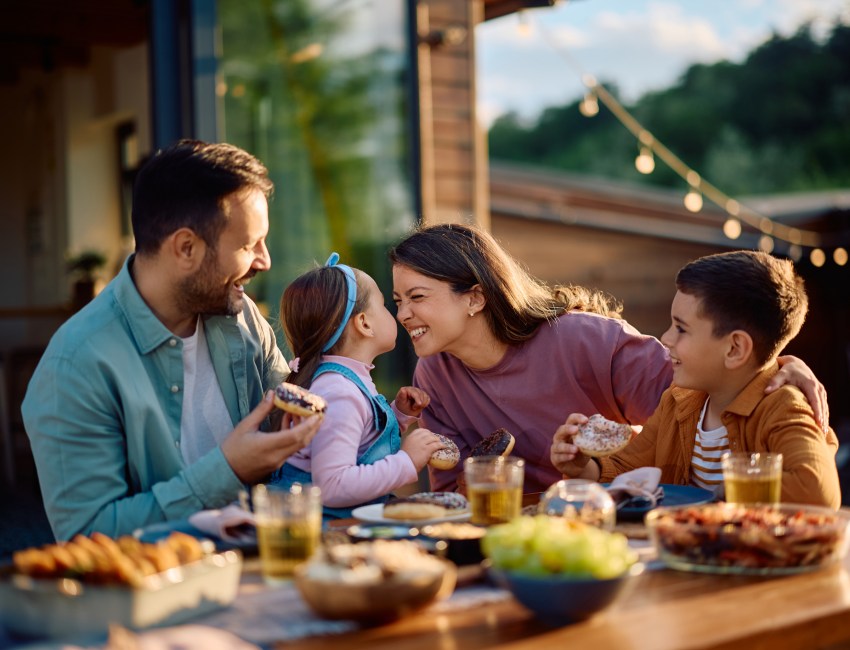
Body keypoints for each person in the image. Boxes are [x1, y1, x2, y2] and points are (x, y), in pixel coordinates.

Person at [22, 140, 322, 541]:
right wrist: (229, 471)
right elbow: (87, 534)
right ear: (186, 248)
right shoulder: (75, 367)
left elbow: (291, 422)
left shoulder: (242, 317)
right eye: (250, 244)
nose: (264, 261)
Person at [389, 223, 830, 494]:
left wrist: (780, 366)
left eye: (417, 297)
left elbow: (704, 388)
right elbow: (452, 494)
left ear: (475, 298)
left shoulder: (587, 341)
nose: (403, 313)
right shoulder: (433, 375)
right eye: (397, 299)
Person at [550, 250, 840, 507]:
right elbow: (627, 467)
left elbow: (818, 491)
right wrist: (585, 467)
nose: (666, 338)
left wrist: (723, 493)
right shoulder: (678, 401)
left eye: (681, 329)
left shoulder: (783, 406)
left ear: (735, 348)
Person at [273, 253, 444, 519]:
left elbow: (360, 447)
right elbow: (332, 486)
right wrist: (406, 461)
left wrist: (397, 415)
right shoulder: (339, 391)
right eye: (386, 305)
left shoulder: (345, 383)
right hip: (324, 532)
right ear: (364, 323)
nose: (398, 315)